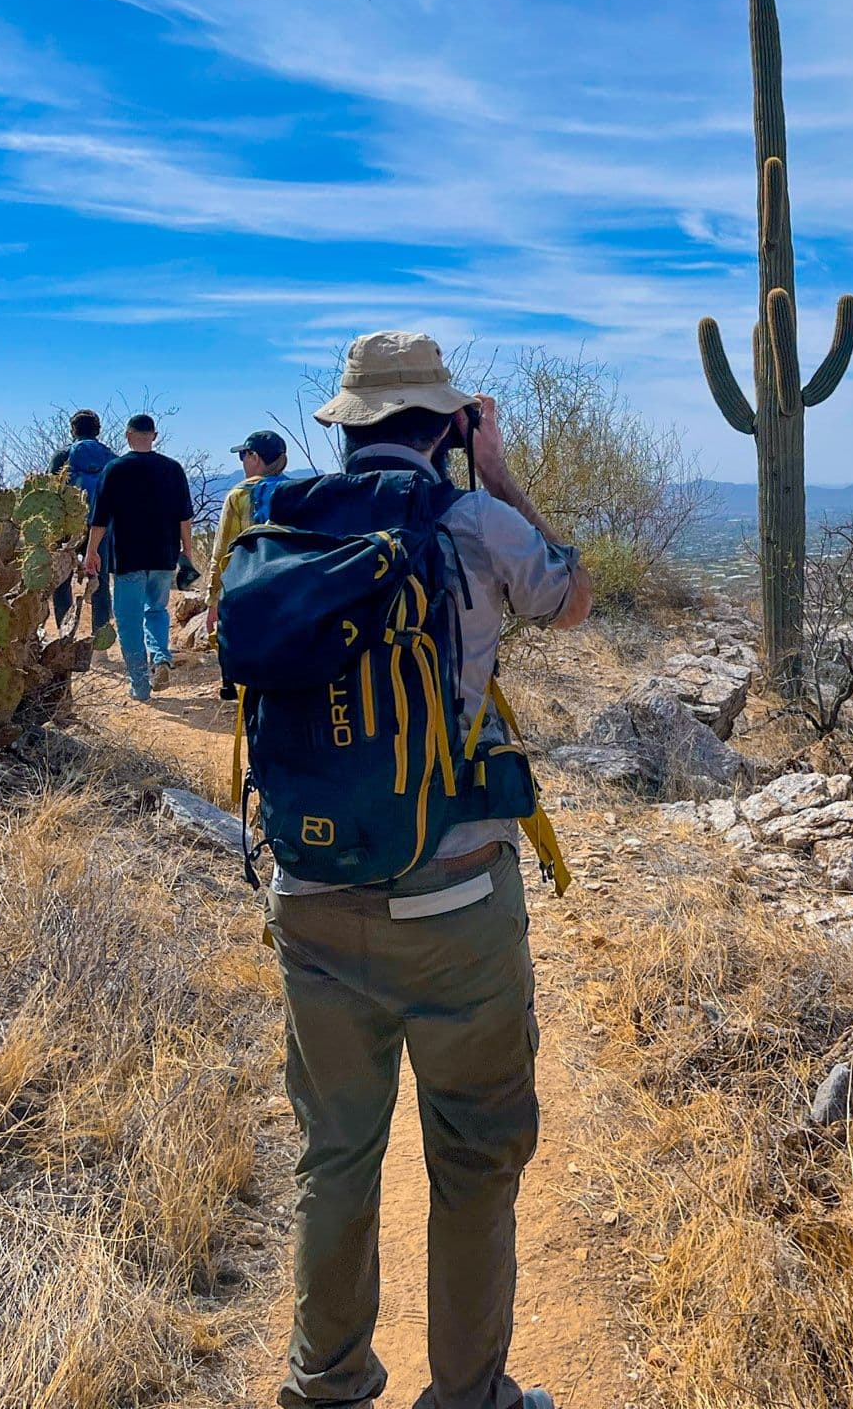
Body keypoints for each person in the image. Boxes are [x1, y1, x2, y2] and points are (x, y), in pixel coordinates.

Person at [264, 330, 592, 1409]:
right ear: (449, 423)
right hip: (455, 906)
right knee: (473, 1160)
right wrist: (500, 470)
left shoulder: (284, 526)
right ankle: (468, 1396)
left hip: (311, 899)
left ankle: (327, 1383)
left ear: (347, 426)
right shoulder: (473, 519)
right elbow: (572, 597)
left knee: (337, 1154)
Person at [84, 413, 194, 703]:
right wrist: (187, 553)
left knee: (129, 619)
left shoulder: (115, 469)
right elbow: (185, 517)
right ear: (154, 436)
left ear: (128, 436)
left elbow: (100, 518)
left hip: (128, 556)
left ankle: (140, 685)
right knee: (156, 610)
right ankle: (160, 656)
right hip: (163, 555)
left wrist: (91, 551)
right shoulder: (173, 469)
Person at [207, 429, 292, 700]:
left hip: (247, 585)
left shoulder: (240, 494)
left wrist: (213, 599)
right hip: (288, 586)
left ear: (255, 457)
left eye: (244, 455)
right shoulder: (297, 490)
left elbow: (222, 551)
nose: (242, 462)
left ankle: (239, 691)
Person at [49, 409, 116, 636]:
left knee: (62, 581)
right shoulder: (111, 458)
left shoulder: (62, 457)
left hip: (67, 527)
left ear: (73, 430)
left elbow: (51, 495)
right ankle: (100, 639)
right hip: (101, 526)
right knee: (101, 579)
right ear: (98, 430)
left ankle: (64, 634)